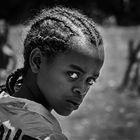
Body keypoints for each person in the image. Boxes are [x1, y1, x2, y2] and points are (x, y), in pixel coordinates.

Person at [0, 6, 104, 140]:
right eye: (73, 74)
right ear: (37, 61)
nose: (82, 90)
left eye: (90, 80)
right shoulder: (46, 135)